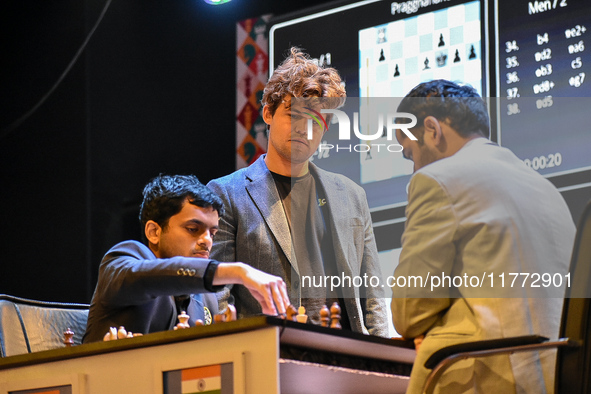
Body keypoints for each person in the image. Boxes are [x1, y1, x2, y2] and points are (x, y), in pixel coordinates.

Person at [390, 79, 576, 393]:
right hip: (563, 376)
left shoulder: (436, 179)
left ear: (432, 130)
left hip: (492, 375)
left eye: (410, 154)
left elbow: (409, 312)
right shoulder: (546, 188)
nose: (414, 169)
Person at [207, 47, 388, 336]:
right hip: (272, 357)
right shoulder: (226, 194)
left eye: (315, 121)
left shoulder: (352, 196)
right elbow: (219, 298)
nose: (304, 129)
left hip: (347, 357)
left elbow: (372, 296)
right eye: (293, 115)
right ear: (268, 113)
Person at [83, 174, 290, 343]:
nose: (207, 241)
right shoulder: (126, 258)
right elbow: (144, 278)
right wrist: (238, 271)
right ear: (154, 232)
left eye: (213, 233)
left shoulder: (206, 297)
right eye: (193, 229)